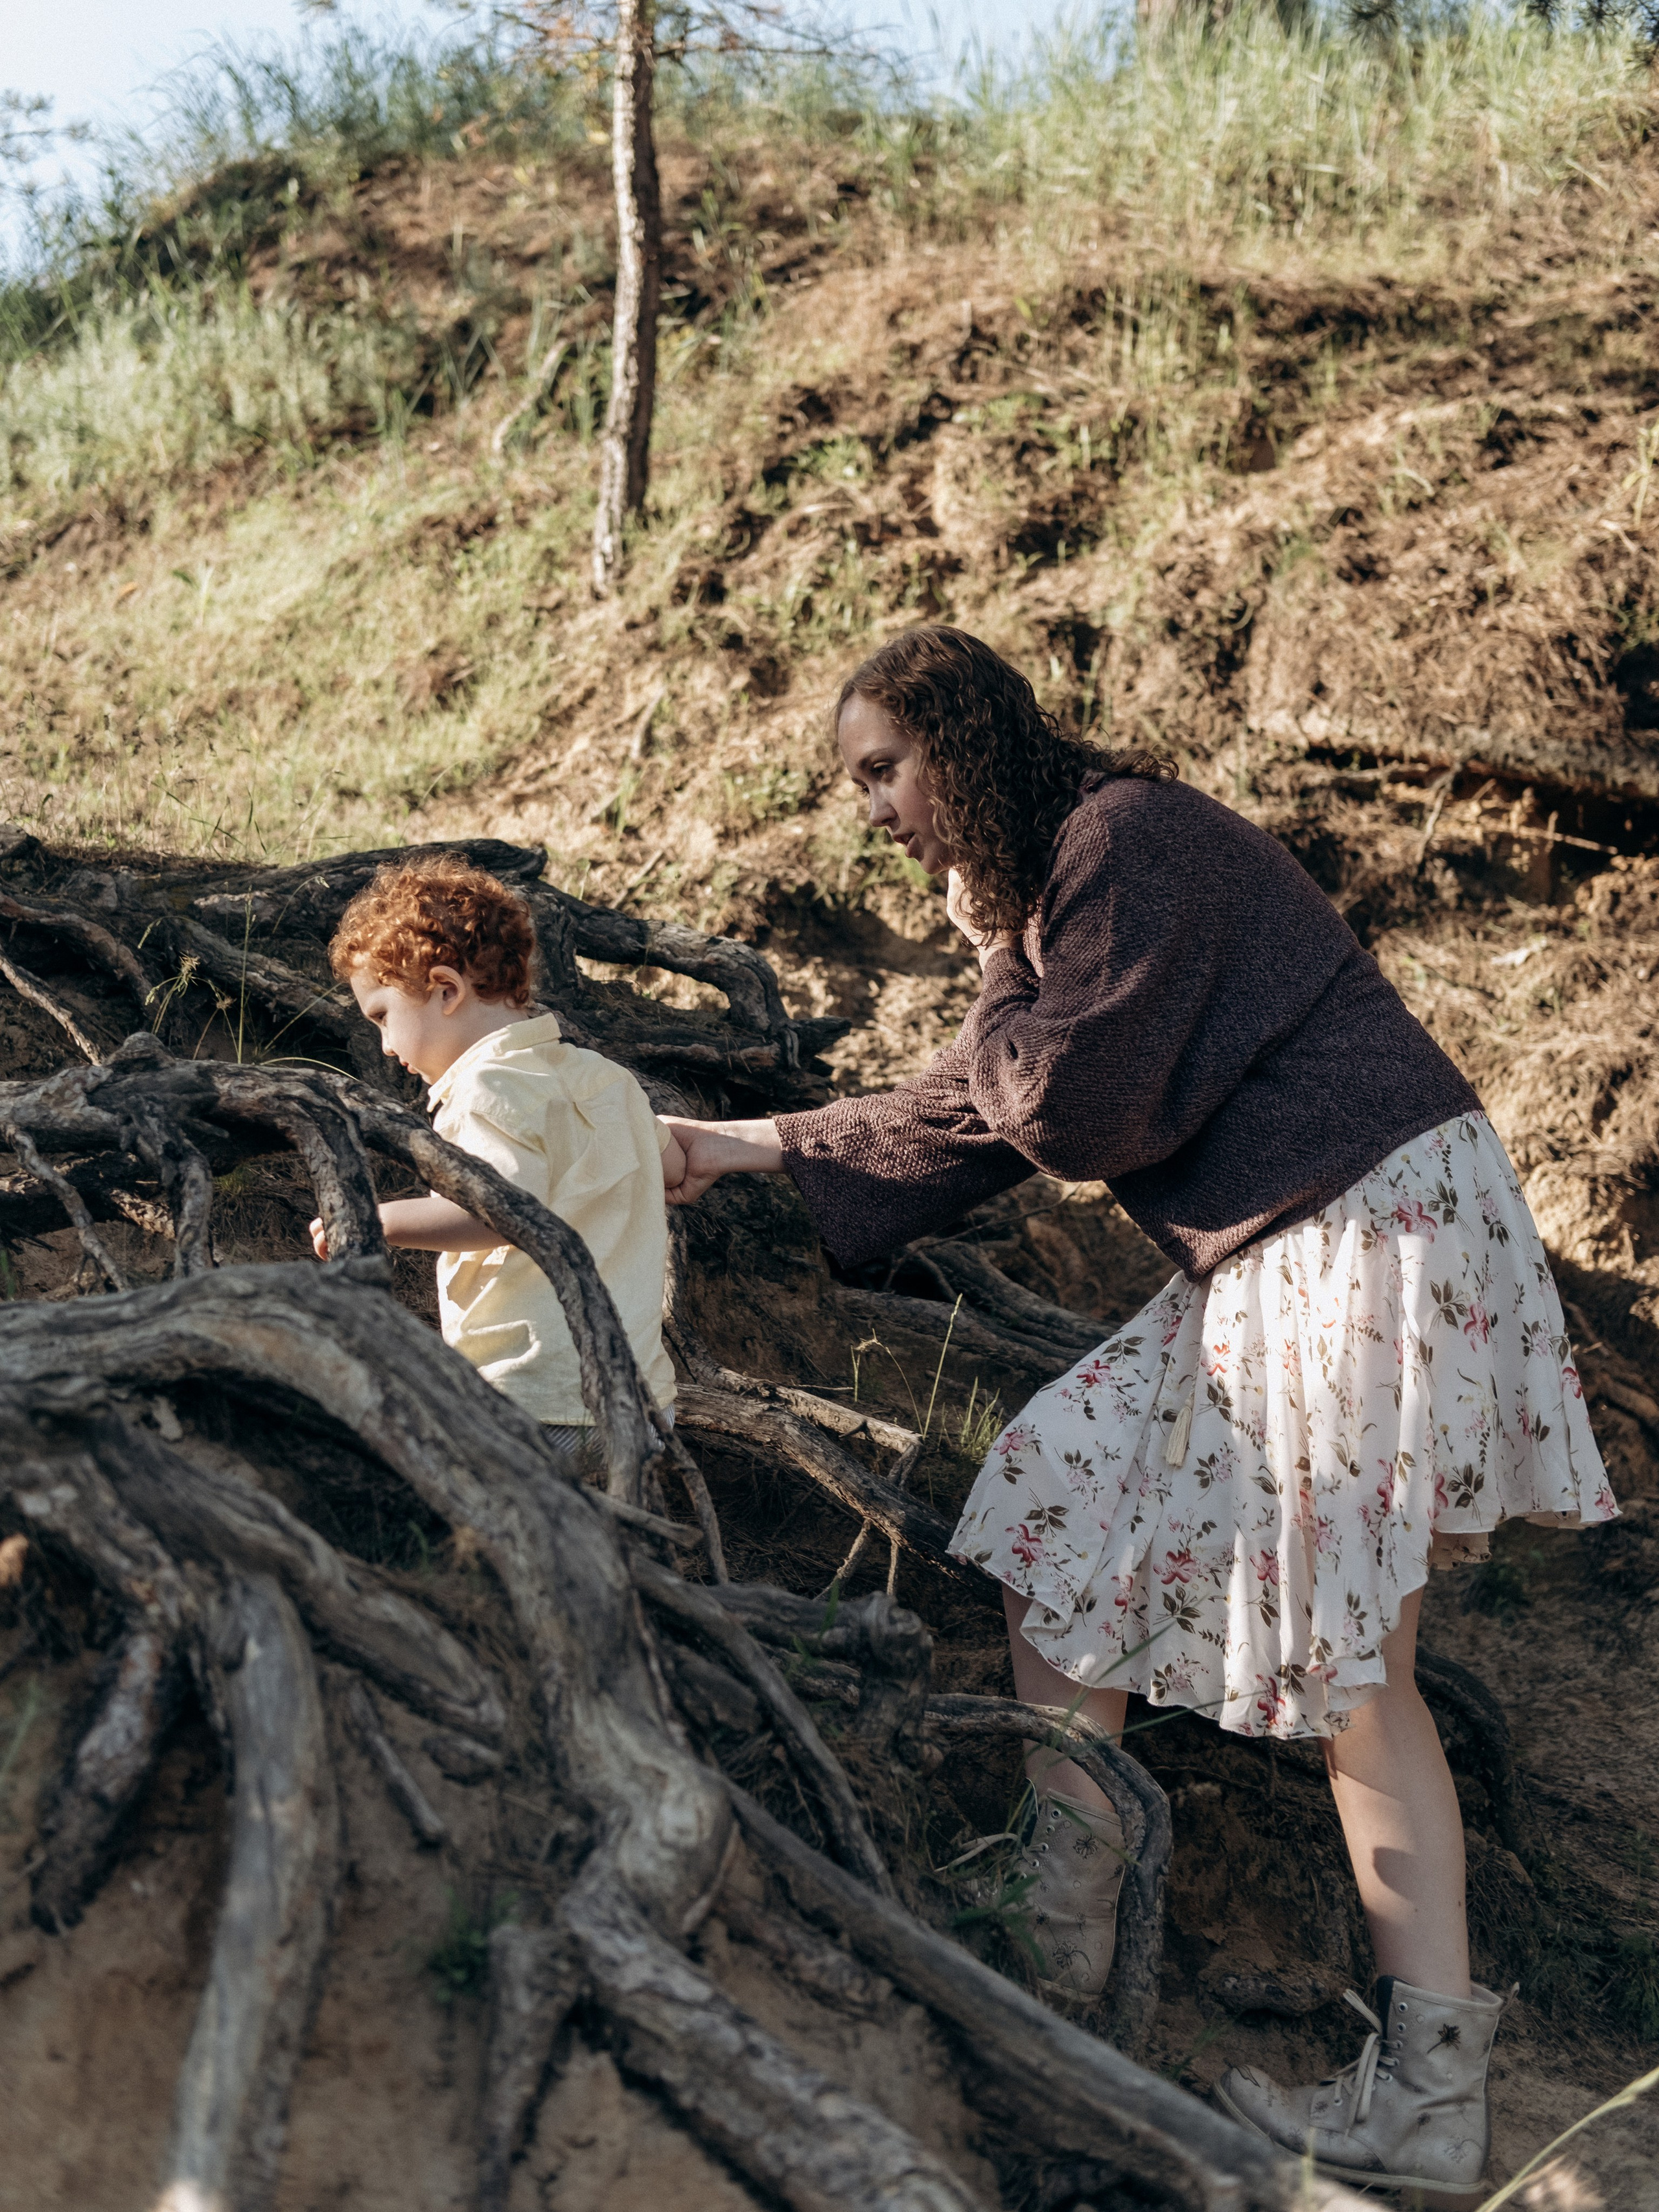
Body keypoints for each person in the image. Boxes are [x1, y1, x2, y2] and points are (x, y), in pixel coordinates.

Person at [661, 625, 1617, 2205]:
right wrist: (738, 1141)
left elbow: (1065, 1101)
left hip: (1357, 1227)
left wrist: (987, 952)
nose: (867, 807)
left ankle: (1431, 2095)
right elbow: (985, 1108)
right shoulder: (1070, 897)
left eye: (880, 768)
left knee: (1351, 1670)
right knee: (1061, 1506)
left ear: (959, 742)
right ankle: (1054, 1950)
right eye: (852, 782)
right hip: (1289, 1243)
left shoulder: (1125, 842)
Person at [314, 856, 680, 1459]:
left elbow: (495, 1210)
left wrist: (377, 1221)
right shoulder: (603, 1078)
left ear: (445, 990)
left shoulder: (486, 1089)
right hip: (641, 1400)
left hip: (536, 1394)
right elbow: (668, 1168)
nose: (384, 1044)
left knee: (470, 1521)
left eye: (383, 1016)